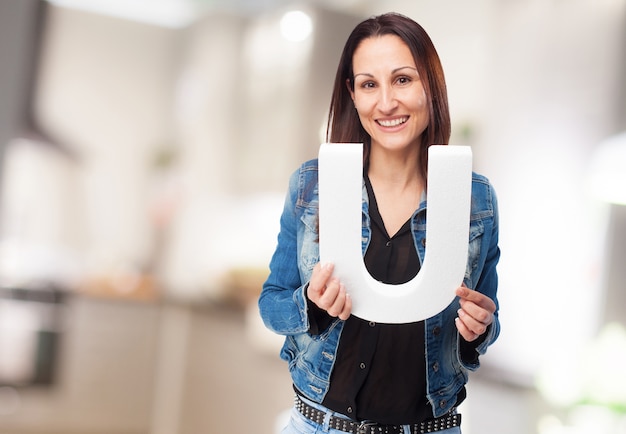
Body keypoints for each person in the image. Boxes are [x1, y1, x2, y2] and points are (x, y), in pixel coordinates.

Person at [258, 12, 500, 434]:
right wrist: (311, 304)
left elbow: (486, 322)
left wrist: (479, 329)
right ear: (352, 94)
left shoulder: (475, 200)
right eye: (369, 84)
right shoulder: (311, 185)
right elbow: (271, 304)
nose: (386, 102)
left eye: (403, 79)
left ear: (430, 84)